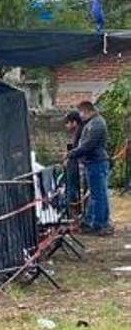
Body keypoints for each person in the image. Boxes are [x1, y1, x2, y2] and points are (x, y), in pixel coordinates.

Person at [66, 101, 112, 235]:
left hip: (96, 162)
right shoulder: (92, 123)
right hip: (93, 162)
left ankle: (100, 224)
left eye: (81, 112)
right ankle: (93, 221)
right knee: (96, 195)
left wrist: (71, 154)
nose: (80, 116)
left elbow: (88, 145)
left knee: (99, 195)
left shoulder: (96, 125)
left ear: (86, 111)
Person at [63, 111, 83, 209]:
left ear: (74, 123)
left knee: (73, 189)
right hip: (77, 164)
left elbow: (79, 150)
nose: (66, 126)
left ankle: (74, 210)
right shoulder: (77, 133)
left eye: (67, 123)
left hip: (79, 165)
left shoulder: (80, 134)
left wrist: (68, 155)